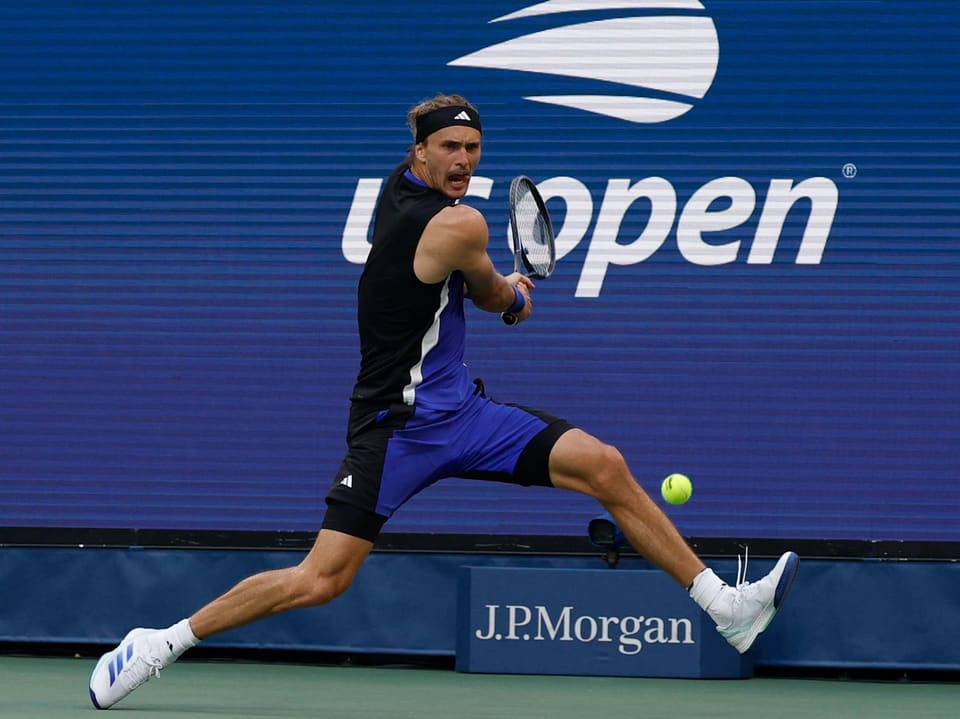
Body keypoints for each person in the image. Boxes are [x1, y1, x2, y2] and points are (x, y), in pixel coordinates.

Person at [88, 93, 799, 709]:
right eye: (449, 147)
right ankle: (162, 641)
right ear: (419, 152)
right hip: (394, 429)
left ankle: (725, 607)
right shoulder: (459, 225)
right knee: (321, 579)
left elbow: (458, 285)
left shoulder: (400, 191)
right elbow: (496, 299)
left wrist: (496, 290)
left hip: (465, 414)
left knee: (603, 464)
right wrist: (517, 296)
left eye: (473, 148)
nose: (463, 159)